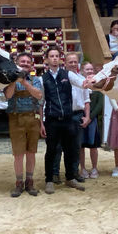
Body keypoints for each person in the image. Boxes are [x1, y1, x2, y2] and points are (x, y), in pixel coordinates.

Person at [41, 47, 87, 194]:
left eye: (56, 56)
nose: (54, 58)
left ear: (60, 59)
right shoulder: (43, 79)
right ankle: (49, 180)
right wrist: (41, 121)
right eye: (51, 56)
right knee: (51, 151)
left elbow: (83, 83)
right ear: (46, 60)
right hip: (52, 120)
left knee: (71, 150)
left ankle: (70, 177)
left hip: (68, 119)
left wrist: (91, 80)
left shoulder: (68, 74)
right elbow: (41, 102)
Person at [4, 52, 43, 197]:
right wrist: (15, 80)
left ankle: (30, 182)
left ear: (31, 65)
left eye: (28, 62)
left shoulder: (36, 80)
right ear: (17, 64)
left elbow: (39, 95)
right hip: (16, 119)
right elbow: (8, 96)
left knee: (31, 152)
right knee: (18, 154)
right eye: (22, 62)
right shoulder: (9, 80)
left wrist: (25, 82)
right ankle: (19, 183)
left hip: (33, 118)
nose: (25, 64)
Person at [50, 52, 90, 184]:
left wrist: (87, 116)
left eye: (75, 62)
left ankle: (73, 173)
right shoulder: (58, 79)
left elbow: (86, 100)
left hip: (77, 115)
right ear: (65, 63)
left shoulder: (82, 79)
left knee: (75, 147)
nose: (73, 64)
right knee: (57, 147)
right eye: (70, 62)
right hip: (61, 116)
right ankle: (55, 173)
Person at [79, 62, 103, 179]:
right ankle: (82, 168)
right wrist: (83, 117)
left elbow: (100, 104)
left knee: (93, 146)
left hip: (92, 120)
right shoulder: (79, 83)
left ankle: (94, 168)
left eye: (91, 69)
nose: (89, 71)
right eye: (87, 69)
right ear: (82, 70)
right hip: (80, 118)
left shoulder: (97, 85)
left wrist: (90, 117)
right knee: (81, 146)